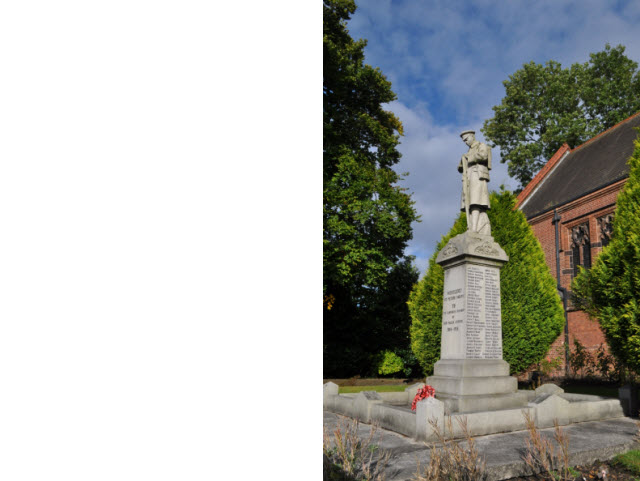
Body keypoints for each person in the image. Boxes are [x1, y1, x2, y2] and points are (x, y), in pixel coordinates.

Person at [458, 130, 492, 235]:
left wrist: (469, 158)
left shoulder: (481, 145)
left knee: (475, 201)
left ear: (472, 136)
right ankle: (472, 227)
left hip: (477, 175)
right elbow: (460, 167)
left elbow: (483, 156)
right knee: (469, 202)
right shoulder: (468, 151)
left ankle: (474, 229)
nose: (466, 142)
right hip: (468, 177)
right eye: (464, 141)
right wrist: (462, 161)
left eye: (466, 139)